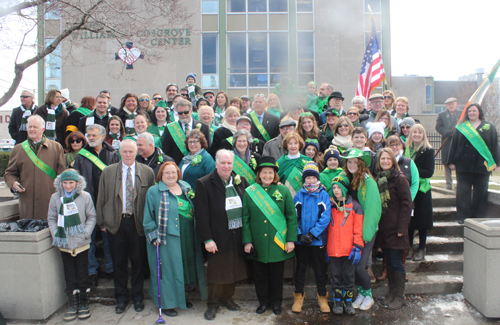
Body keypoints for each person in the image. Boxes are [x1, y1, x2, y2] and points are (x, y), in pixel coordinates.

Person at [96, 139, 156, 314]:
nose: (128, 155)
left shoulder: (147, 172)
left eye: (131, 151)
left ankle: (138, 297)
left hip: (137, 223)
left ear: (136, 152)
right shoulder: (108, 172)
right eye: (125, 152)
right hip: (116, 223)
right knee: (119, 262)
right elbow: (101, 197)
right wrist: (101, 222)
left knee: (138, 262)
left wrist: (150, 224)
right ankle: (121, 298)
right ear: (119, 153)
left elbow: (151, 200)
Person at [143, 162, 208, 317]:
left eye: (173, 172)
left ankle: (180, 298)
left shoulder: (185, 186)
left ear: (178, 173)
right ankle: (166, 303)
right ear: (161, 175)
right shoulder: (154, 191)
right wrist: (153, 235)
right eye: (167, 173)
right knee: (167, 271)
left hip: (187, 235)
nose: (171, 176)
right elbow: (147, 218)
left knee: (182, 267)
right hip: (165, 238)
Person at [195, 149, 249, 321]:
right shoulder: (204, 183)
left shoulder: (241, 181)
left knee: (233, 269)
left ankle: (227, 298)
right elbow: (201, 215)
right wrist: (207, 239)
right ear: (216, 164)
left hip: (236, 234)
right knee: (217, 272)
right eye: (223, 163)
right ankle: (212, 304)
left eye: (229, 163)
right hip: (217, 236)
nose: (226, 166)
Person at [242, 156, 298, 315]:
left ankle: (276, 303)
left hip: (277, 243)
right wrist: (247, 241)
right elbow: (245, 218)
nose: (267, 176)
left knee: (276, 276)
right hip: (258, 243)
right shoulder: (250, 192)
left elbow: (291, 217)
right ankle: (263, 302)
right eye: (264, 172)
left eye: (270, 173)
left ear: (275, 174)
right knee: (260, 276)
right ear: (258, 174)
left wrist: (291, 240)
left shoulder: (283, 190)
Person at [47, 169, 96, 321]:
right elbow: (51, 218)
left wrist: (86, 233)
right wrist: (56, 234)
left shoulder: (84, 196)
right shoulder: (55, 198)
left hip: (81, 242)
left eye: (71, 183)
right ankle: (72, 302)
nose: (68, 186)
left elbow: (91, 216)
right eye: (65, 183)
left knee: (82, 272)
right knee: (69, 273)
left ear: (77, 183)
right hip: (64, 242)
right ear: (60, 183)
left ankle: (83, 301)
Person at [74, 124, 119, 288]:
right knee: (89, 239)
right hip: (88, 203)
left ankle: (111, 268)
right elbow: (76, 181)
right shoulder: (81, 156)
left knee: (109, 238)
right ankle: (91, 271)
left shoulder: (112, 153)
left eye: (94, 135)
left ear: (102, 136)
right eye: (89, 135)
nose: (91, 138)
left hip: (108, 203)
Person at [5, 115, 65, 220]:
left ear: (43, 129)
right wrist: (13, 183)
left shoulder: (56, 147)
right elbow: (10, 173)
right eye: (30, 127)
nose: (32, 129)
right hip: (27, 201)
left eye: (35, 127)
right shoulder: (18, 149)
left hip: (49, 199)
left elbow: (62, 174)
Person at [449, 103, 500, 224]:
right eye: (470, 111)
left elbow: (494, 145)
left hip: (482, 166)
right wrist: (452, 161)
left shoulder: (489, 127)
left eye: (474, 111)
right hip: (463, 165)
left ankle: (478, 217)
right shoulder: (461, 127)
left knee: (481, 193)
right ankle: (463, 216)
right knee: (463, 192)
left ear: (479, 112)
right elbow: (454, 145)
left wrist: (497, 163)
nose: (471, 113)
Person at [291, 162, 331, 314]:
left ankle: (322, 296)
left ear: (317, 179)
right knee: (300, 269)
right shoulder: (299, 195)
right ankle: (298, 296)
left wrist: (313, 234)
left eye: (313, 177)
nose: (311, 181)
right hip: (301, 240)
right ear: (304, 179)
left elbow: (325, 217)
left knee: (320, 269)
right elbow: (293, 217)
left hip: (317, 240)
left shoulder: (323, 195)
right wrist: (300, 234)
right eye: (308, 178)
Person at [375, 148, 412, 310]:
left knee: (396, 262)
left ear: (393, 160)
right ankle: (392, 292)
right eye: (382, 159)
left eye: (387, 159)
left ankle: (399, 296)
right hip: (384, 228)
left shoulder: (400, 179)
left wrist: (402, 227)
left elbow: (407, 203)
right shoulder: (380, 179)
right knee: (388, 262)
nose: (385, 161)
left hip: (397, 228)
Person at [343, 149, 381, 305]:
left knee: (359, 266)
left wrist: (365, 235)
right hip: (352, 231)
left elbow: (373, 209)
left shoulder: (368, 182)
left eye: (355, 162)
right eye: (349, 162)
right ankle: (361, 294)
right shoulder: (349, 179)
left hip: (365, 231)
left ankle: (369, 296)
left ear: (361, 164)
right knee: (353, 265)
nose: (352, 164)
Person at [328, 173, 364, 315]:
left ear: (345, 188)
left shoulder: (355, 207)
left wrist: (357, 247)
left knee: (349, 277)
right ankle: (337, 301)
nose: (336, 190)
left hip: (349, 250)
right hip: (333, 249)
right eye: (334, 187)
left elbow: (358, 230)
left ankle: (347, 301)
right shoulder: (329, 205)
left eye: (339, 187)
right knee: (336, 276)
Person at [404, 124, 435, 261]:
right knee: (410, 219)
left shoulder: (427, 150)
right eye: (414, 132)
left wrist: (413, 172)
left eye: (419, 133)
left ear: (423, 135)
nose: (416, 135)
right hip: (409, 189)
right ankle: (409, 247)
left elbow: (429, 172)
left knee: (422, 221)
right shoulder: (406, 150)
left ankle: (422, 248)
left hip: (422, 190)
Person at [162, 99, 211, 165]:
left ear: (191, 111)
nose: (183, 115)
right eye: (180, 113)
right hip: (178, 166)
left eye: (186, 112)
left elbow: (208, 148)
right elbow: (166, 151)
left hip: (199, 166)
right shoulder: (170, 128)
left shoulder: (204, 127)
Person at [436, 97, 462, 190]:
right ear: (446, 105)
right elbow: (438, 127)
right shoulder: (441, 115)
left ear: (456, 104)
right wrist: (447, 132)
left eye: (453, 104)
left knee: (459, 162)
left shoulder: (462, 114)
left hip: (459, 141)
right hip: (447, 141)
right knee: (447, 163)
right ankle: (448, 184)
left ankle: (460, 184)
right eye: (449, 104)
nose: (451, 106)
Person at [277, 132, 312, 197]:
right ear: (286, 145)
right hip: (287, 198)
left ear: (299, 145)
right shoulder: (280, 162)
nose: (293, 146)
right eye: (290, 143)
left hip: (305, 198)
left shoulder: (308, 161)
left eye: (295, 143)